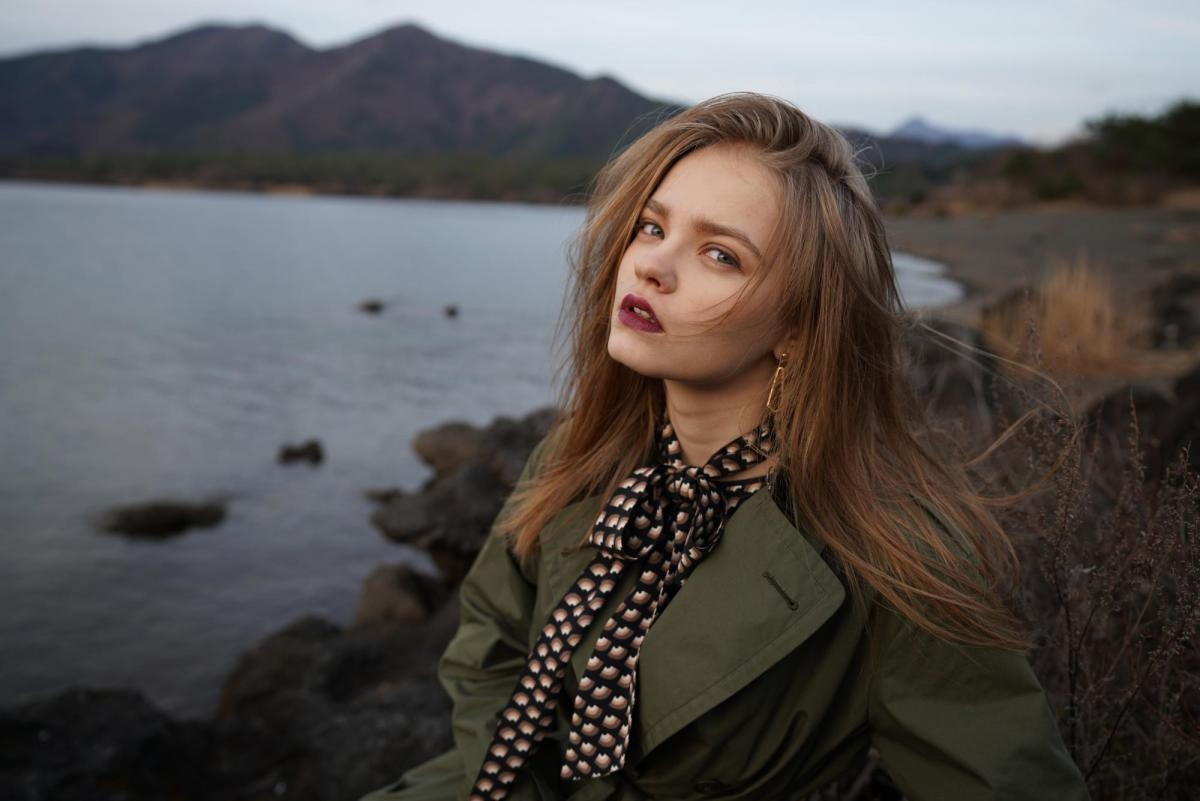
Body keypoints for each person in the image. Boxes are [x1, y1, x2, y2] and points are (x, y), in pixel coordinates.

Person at [359, 92, 1090, 801]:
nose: (651, 265)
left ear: (799, 328)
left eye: (719, 254)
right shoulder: (582, 453)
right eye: (651, 227)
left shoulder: (888, 553)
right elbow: (490, 637)